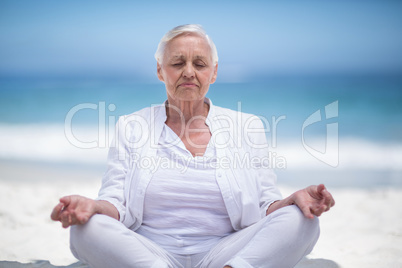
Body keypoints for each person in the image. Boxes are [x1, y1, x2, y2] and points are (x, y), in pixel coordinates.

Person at [51, 24, 335, 268]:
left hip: (226, 248)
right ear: (161, 71)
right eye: (177, 63)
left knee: (303, 220)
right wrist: (91, 206)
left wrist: (293, 200)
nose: (189, 72)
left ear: (213, 72)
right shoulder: (130, 126)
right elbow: (115, 202)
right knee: (85, 229)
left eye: (199, 64)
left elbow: (265, 204)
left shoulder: (248, 126)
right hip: (149, 251)